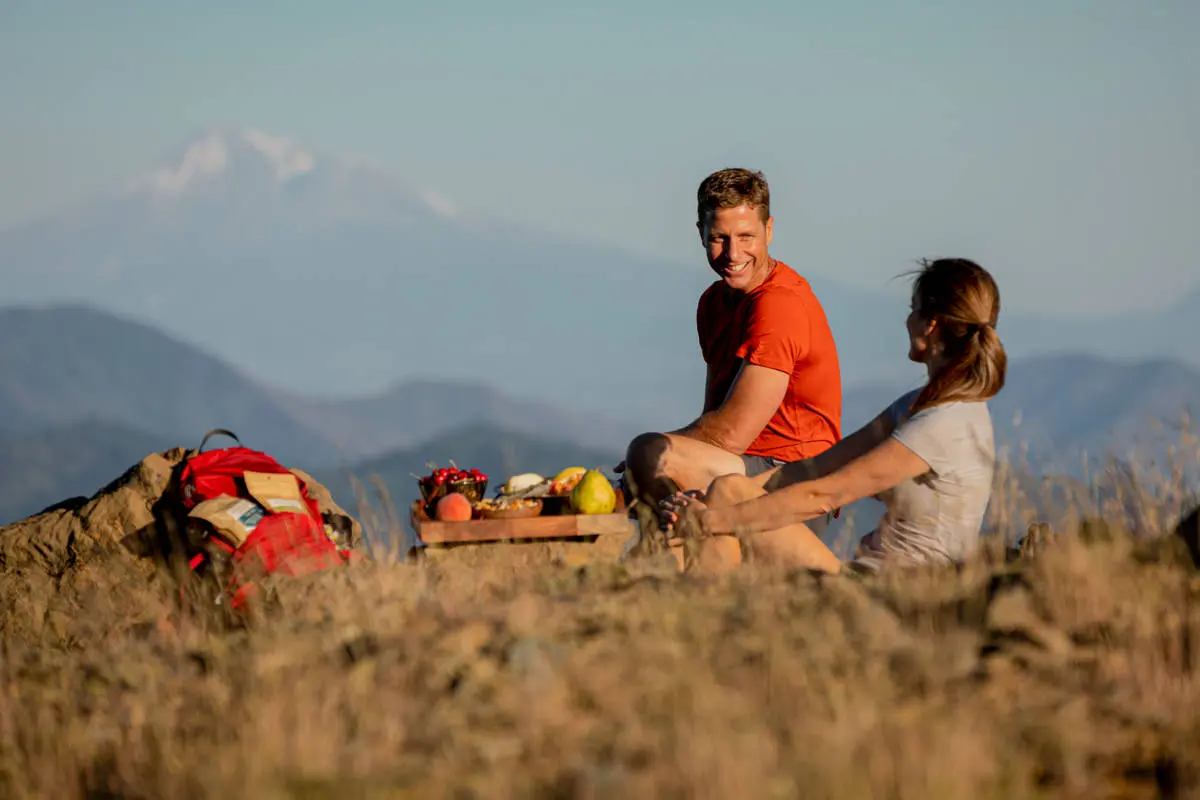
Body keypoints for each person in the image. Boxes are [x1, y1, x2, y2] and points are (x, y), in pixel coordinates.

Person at [659, 257, 1006, 575]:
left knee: (724, 501)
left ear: (930, 325)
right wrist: (702, 502)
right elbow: (817, 468)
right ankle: (711, 609)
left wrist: (709, 521)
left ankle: (706, 611)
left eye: (913, 310)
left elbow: (824, 495)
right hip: (868, 574)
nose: (907, 320)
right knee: (727, 489)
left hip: (893, 592)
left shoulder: (944, 423)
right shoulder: (922, 404)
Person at [619, 167, 843, 539]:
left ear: (769, 230)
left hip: (788, 473)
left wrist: (652, 454)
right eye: (720, 238)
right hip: (740, 463)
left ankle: (679, 537)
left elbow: (730, 434)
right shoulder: (713, 303)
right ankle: (676, 546)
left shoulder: (778, 306)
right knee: (646, 468)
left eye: (746, 236)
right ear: (701, 234)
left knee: (648, 453)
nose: (733, 253)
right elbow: (714, 414)